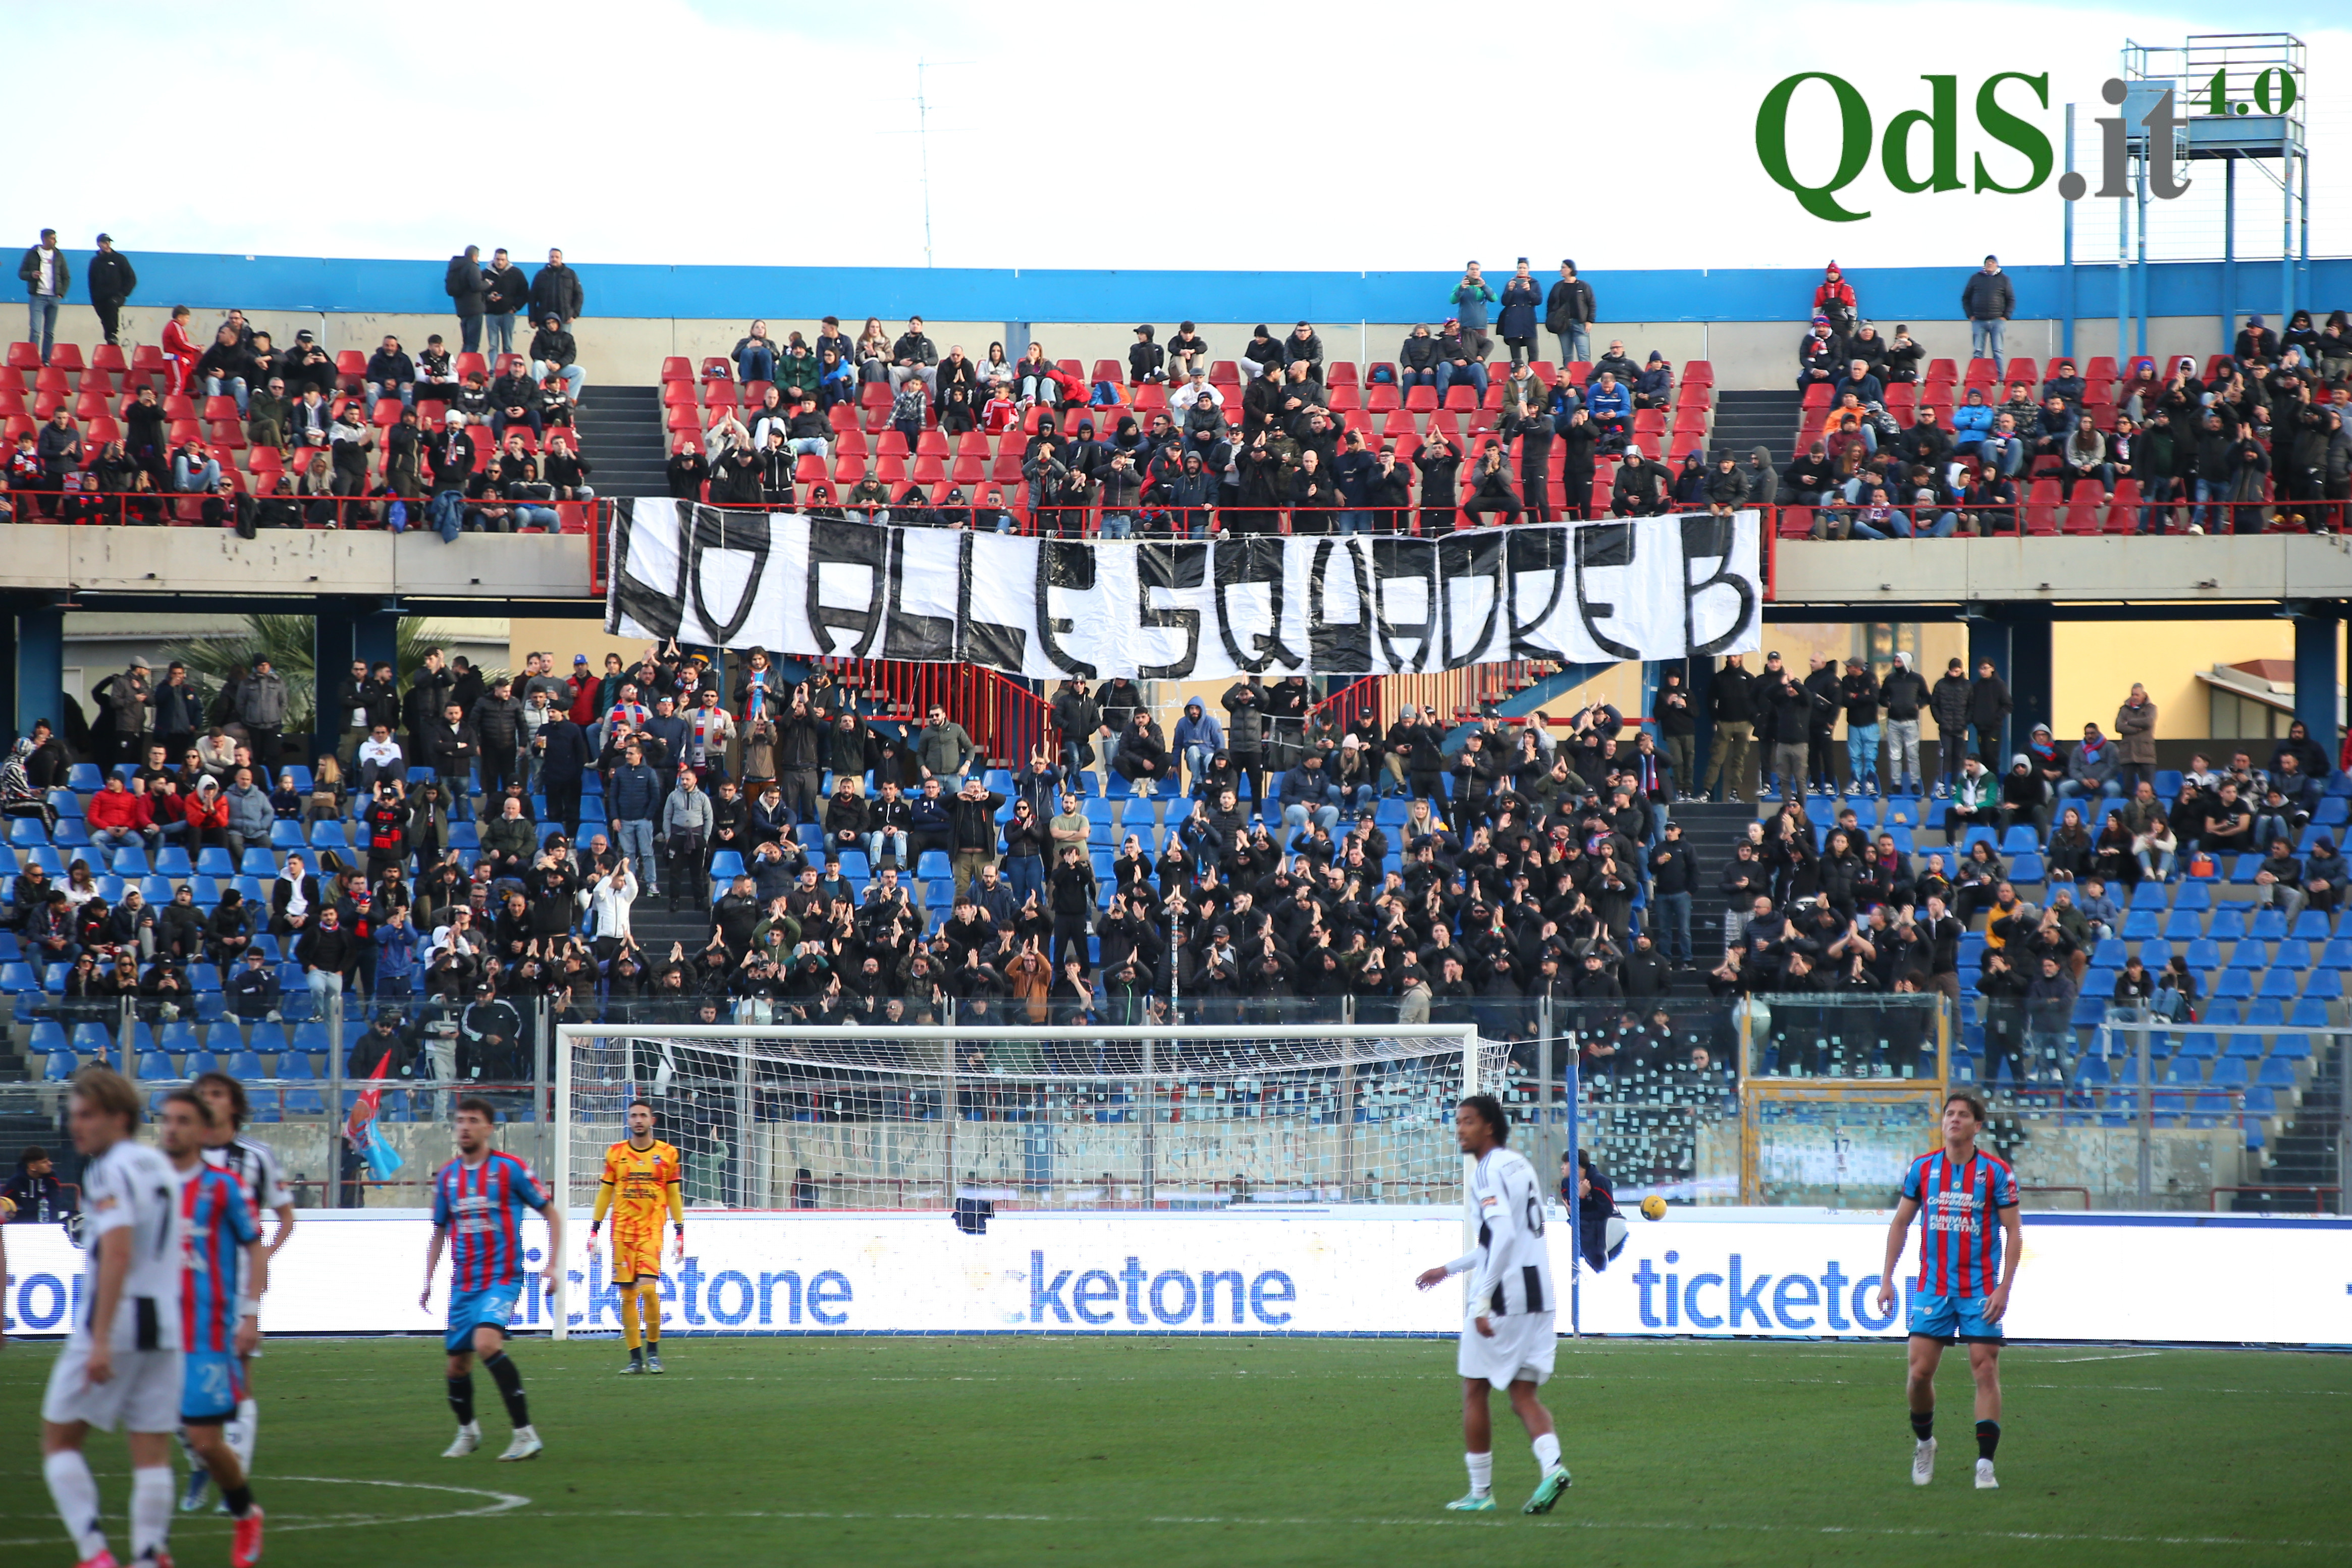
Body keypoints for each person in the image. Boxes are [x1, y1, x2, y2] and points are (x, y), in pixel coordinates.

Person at [38, 1066, 186, 1568]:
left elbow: (118, 1252)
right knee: (151, 1451)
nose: (75, 1125)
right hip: (164, 1323)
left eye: (86, 1115)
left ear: (118, 1117)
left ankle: (94, 1552)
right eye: (72, 1115)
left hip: (118, 1318)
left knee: (58, 1439)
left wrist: (100, 1338)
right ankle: (149, 1555)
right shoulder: (160, 1164)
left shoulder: (110, 1168)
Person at [1414, 1095, 1571, 1517]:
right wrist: (1447, 1268)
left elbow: (1500, 1235)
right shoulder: (1519, 1165)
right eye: (1458, 1121)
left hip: (1504, 1298)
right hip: (1540, 1295)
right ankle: (1552, 1468)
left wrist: (1481, 1300)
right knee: (1523, 1395)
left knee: (1474, 1388)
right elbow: (1504, 1237)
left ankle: (1481, 1491)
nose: (1459, 1129)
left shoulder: (1486, 1171)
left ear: (1489, 1127)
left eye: (1467, 1121)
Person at [1877, 1087, 2020, 1492]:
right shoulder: (1922, 1169)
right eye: (1949, 1113)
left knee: (1985, 1368)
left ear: (1977, 1126)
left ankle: (1985, 1464)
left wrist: (2004, 1287)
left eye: (1962, 1114)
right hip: (1933, 1287)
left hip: (1979, 1288)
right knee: (1919, 1372)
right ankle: (1926, 1442)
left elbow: (2014, 1230)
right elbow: (1901, 1223)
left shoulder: (1996, 1172)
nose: (1953, 1119)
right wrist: (1887, 1277)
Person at [163, 1089, 270, 1565]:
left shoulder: (225, 1186)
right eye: (167, 1120)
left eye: (184, 1120)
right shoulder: (153, 1185)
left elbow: (255, 1247)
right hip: (158, 1331)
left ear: (202, 1129)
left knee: (206, 1440)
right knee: (150, 1434)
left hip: (208, 1332)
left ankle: (246, 1511)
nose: (173, 1129)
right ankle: (151, 1548)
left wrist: (249, 1314)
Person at [420, 1095, 559, 1462]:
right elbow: (439, 1231)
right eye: (460, 1120)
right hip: (464, 1283)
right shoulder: (449, 1176)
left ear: (489, 1128)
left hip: (502, 1276)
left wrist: (553, 1264)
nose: (464, 1126)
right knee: (457, 1365)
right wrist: (428, 1279)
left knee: (486, 1343)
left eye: (472, 1120)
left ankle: (524, 1434)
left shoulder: (510, 1169)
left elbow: (552, 1214)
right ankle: (468, 1432)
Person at [184, 1070, 296, 1507]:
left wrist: (264, 1255)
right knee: (177, 1382)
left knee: (239, 1377)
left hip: (235, 1282)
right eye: (202, 1094)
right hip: (186, 1280)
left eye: (216, 1094)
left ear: (234, 1104)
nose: (207, 1100)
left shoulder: (256, 1156)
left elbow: (287, 1216)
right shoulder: (181, 1154)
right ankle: (200, 1461)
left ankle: (236, 1478)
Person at [589, 1098, 685, 1376]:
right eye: (634, 1116)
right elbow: (606, 1193)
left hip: (652, 1231)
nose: (639, 1120)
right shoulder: (616, 1154)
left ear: (652, 1121)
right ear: (628, 1121)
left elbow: (674, 1195)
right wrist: (594, 1229)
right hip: (621, 1233)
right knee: (628, 1297)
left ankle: (653, 1354)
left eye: (643, 1115)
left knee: (648, 1290)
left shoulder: (668, 1154)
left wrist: (680, 1231)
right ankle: (635, 1359)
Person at [1960, 255, 2014, 372]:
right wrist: (1970, 315)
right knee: (1978, 351)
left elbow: (2011, 299)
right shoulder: (1975, 278)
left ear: (1997, 265)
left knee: (1998, 351)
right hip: (1979, 321)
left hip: (1997, 321)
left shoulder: (2004, 279)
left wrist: (2005, 317)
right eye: (1987, 262)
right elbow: (1966, 298)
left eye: (1992, 262)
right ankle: (1978, 377)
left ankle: (2000, 379)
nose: (1990, 264)